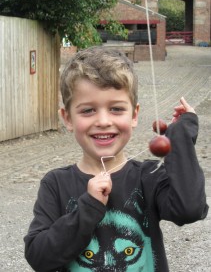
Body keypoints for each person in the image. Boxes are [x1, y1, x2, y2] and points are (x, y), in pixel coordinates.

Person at [24, 47, 208, 272]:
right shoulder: (55, 184)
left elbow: (189, 208)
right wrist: (88, 208)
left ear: (134, 115)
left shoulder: (148, 177)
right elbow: (39, 257)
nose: (103, 120)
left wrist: (180, 136)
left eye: (116, 109)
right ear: (67, 118)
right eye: (88, 110)